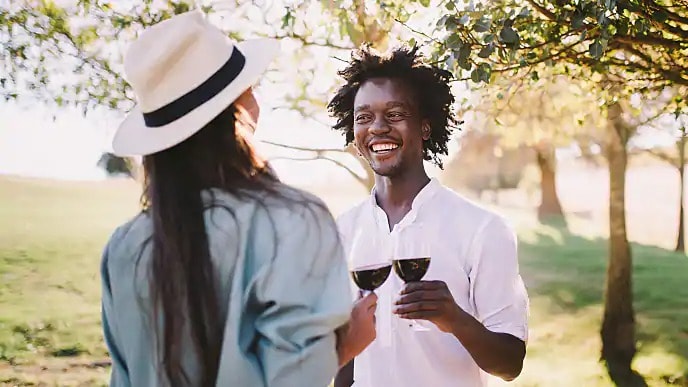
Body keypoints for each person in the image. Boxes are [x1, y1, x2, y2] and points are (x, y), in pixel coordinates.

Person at [100, 11, 377, 387]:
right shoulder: (294, 221)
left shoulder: (124, 247)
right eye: (249, 86)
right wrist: (347, 344)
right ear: (238, 111)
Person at [329, 45, 529, 387]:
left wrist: (454, 319)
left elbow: (510, 364)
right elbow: (347, 357)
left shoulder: (483, 229)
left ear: (424, 127)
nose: (377, 128)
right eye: (364, 117)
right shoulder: (342, 231)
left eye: (394, 114)